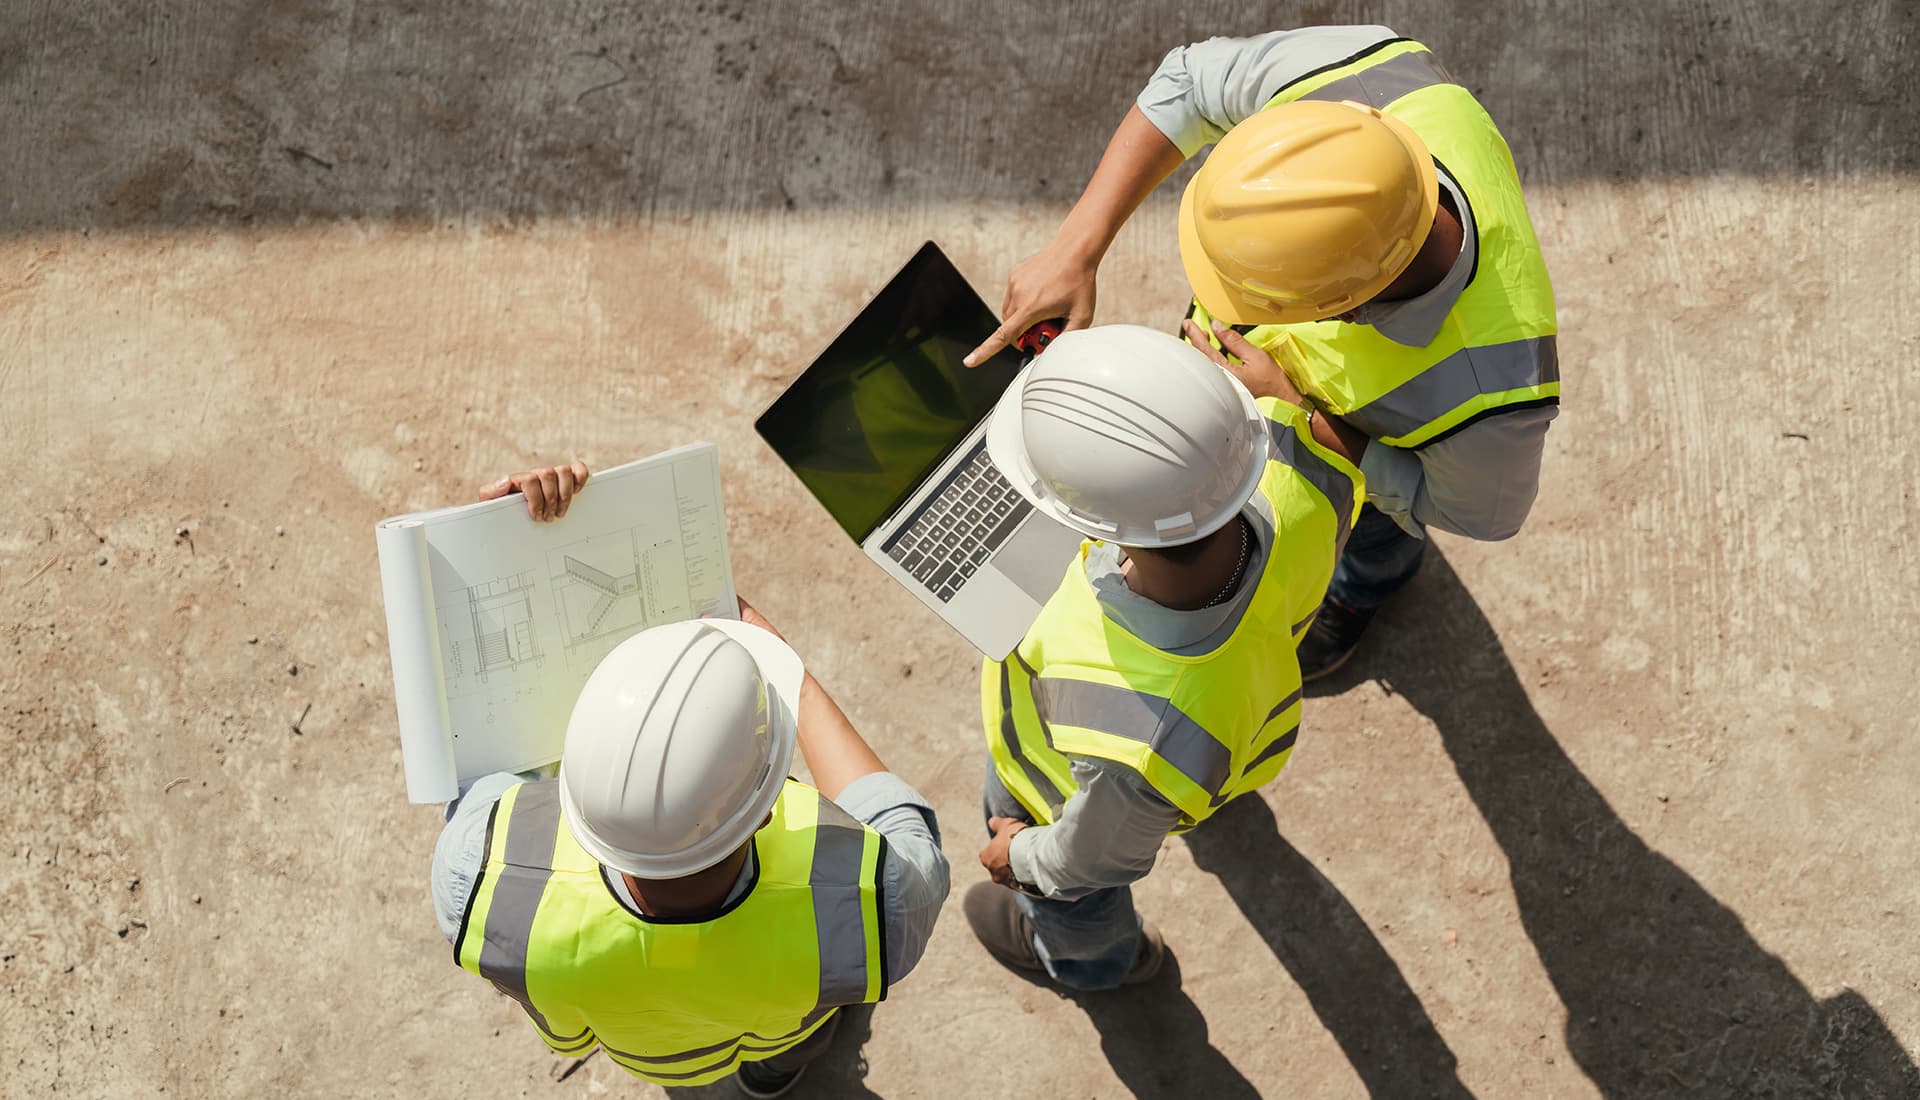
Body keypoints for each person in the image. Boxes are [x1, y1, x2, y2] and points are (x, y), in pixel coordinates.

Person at [966, 27, 1559, 679]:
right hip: (1292, 386)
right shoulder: (1367, 75)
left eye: (1254, 294)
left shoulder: (1496, 398)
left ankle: (1363, 590)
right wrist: (1075, 248)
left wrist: (1299, 415)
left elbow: (1469, 512)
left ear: (1344, 311)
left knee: (1374, 535)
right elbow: (1188, 83)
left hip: (1357, 444)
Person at [433, 464, 950, 1096]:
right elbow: (900, 826)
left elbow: (482, 737)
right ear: (765, 811)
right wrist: (774, 650)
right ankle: (771, 1077)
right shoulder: (874, 903)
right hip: (781, 1029)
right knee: (795, 1044)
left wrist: (504, 545)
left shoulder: (483, 880)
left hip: (655, 1055)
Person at [965, 323, 1364, 990]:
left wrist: (1025, 859)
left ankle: (1098, 962)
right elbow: (1327, 457)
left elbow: (1094, 858)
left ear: (1088, 529)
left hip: (1054, 792)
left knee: (1080, 904)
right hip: (1232, 728)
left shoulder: (1139, 738)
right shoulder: (1307, 480)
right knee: (1174, 785)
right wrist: (1282, 411)